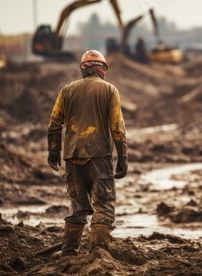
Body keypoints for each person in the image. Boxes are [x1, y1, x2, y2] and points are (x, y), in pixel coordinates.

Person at [47, 50, 128, 257]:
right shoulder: (109, 91)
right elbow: (117, 128)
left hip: (72, 156)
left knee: (78, 206)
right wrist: (122, 157)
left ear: (83, 68)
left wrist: (53, 152)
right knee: (104, 204)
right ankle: (98, 252)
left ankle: (69, 253)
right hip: (99, 155)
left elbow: (55, 124)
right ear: (102, 69)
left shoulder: (66, 91)